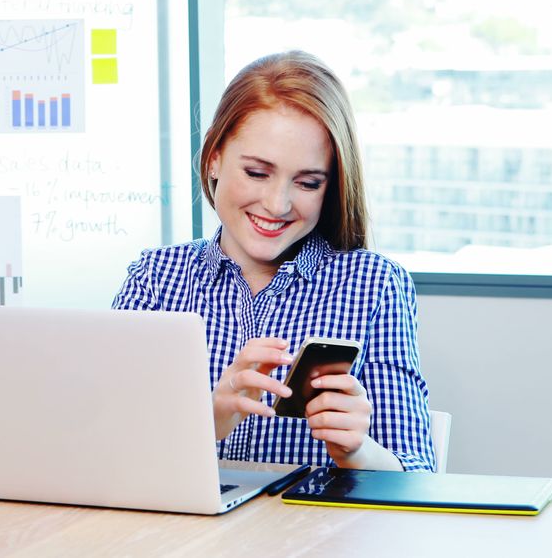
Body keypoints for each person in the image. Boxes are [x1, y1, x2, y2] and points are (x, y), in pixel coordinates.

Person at [112, 50, 435, 472]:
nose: (277, 204)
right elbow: (108, 452)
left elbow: (418, 476)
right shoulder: (156, 279)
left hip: (312, 537)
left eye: (307, 182)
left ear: (330, 186)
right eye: (257, 173)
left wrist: (357, 451)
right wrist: (205, 422)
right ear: (214, 159)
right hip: (181, 537)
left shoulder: (375, 285)